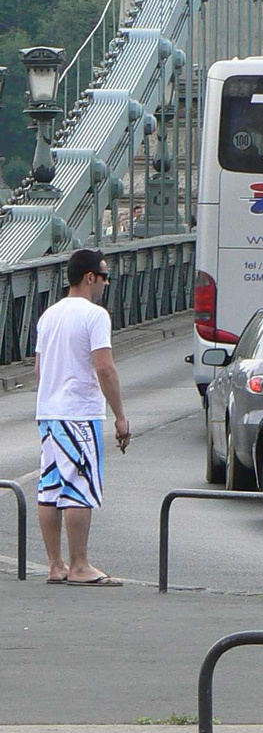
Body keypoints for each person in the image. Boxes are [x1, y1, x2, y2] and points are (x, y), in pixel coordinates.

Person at [34, 249, 130, 586]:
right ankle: (79, 566)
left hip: (48, 411)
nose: (106, 282)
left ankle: (55, 565)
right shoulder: (95, 315)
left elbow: (39, 370)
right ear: (89, 277)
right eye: (104, 276)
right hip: (78, 412)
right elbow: (104, 368)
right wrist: (119, 415)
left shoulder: (48, 316)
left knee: (50, 487)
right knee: (78, 487)